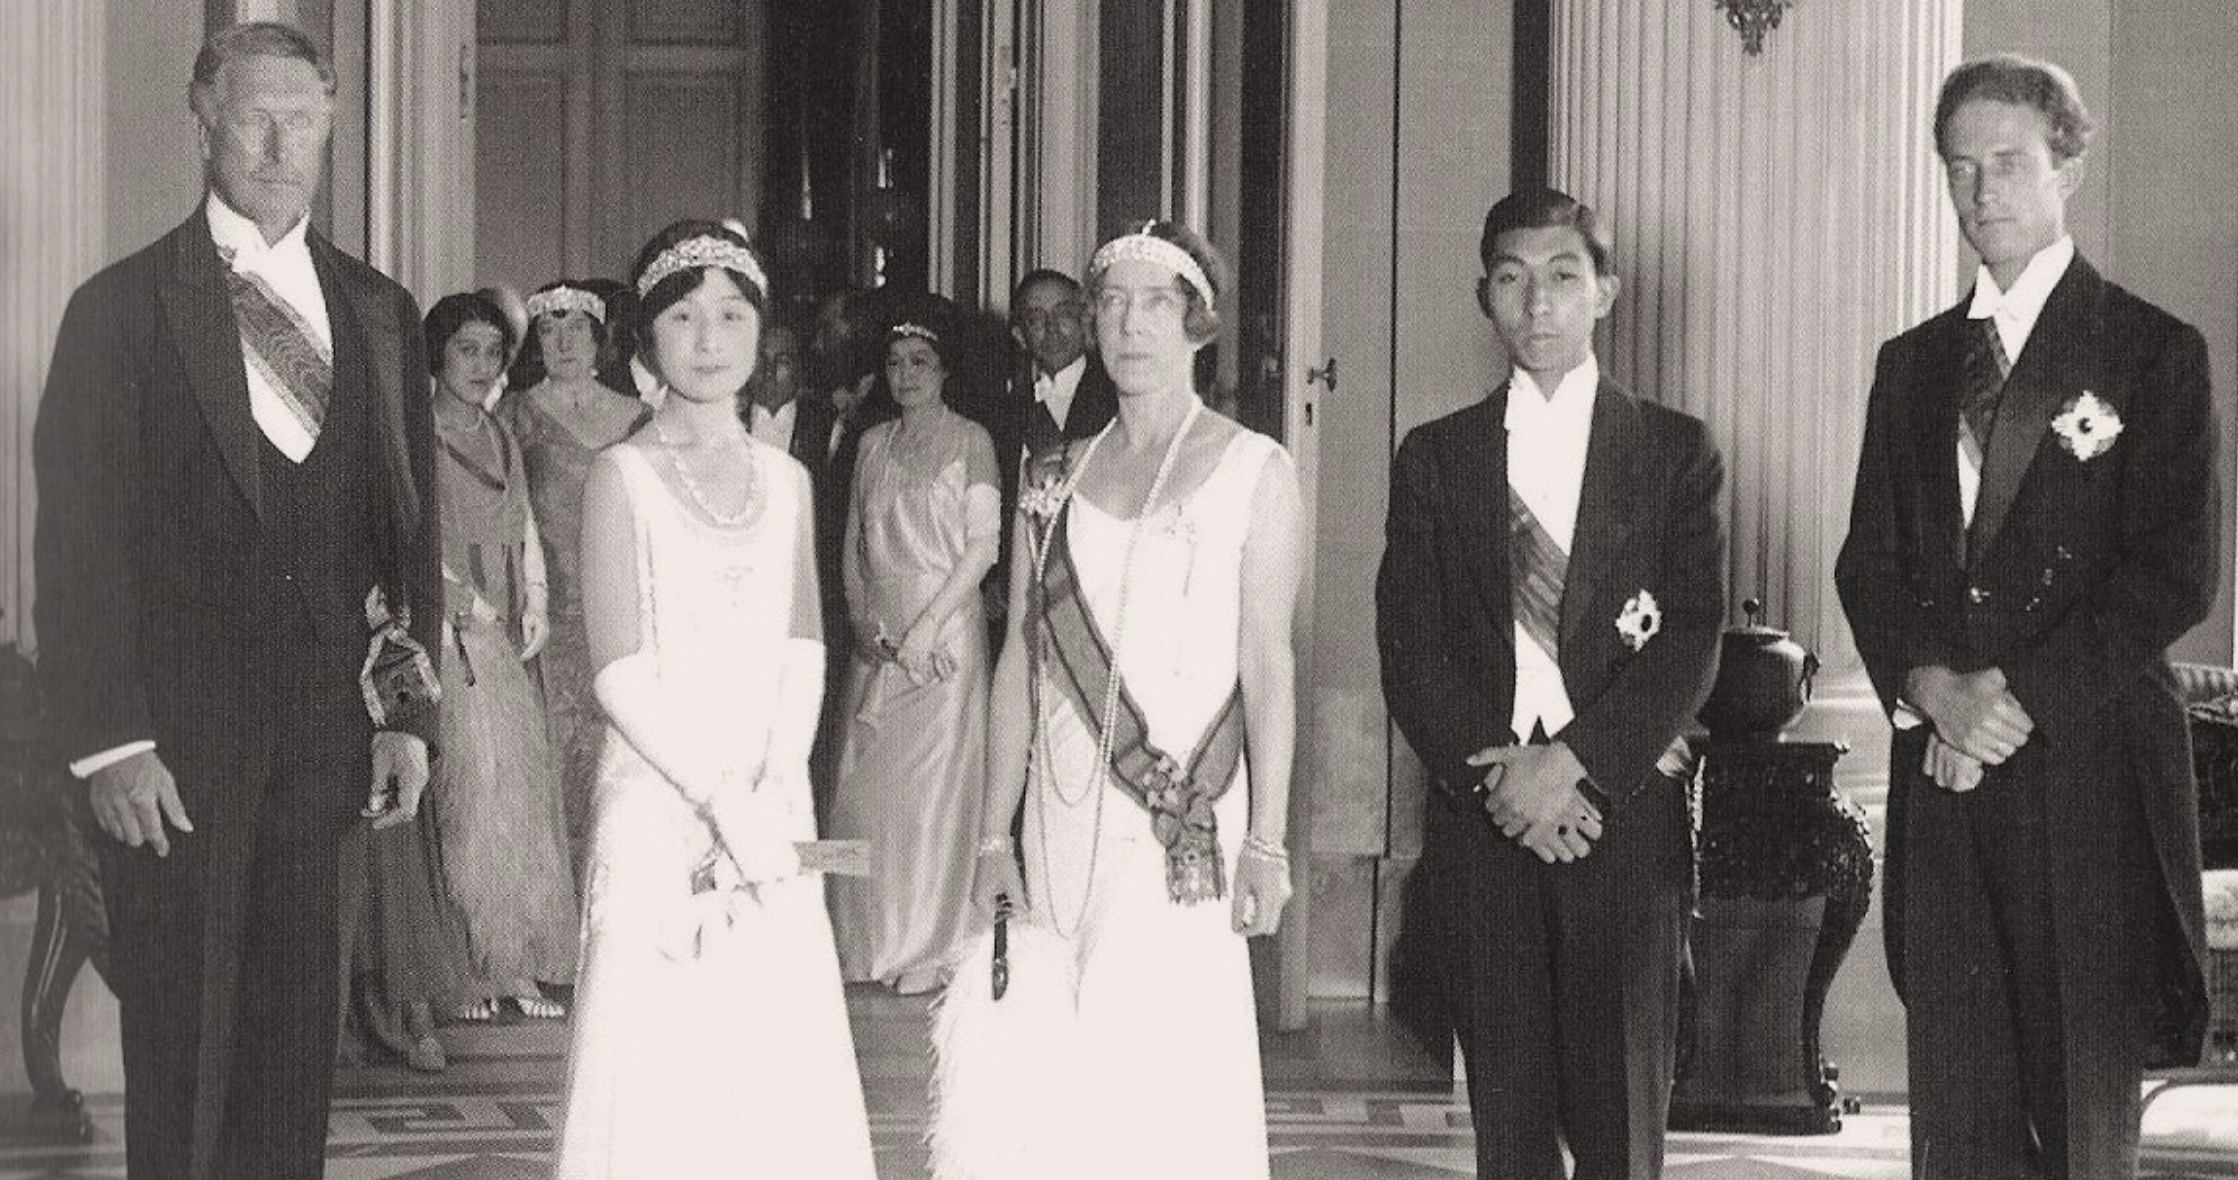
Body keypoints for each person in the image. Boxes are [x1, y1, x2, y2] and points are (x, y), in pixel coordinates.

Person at [31, 22, 440, 1178]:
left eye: (300, 119)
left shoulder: (380, 311)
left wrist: (407, 715)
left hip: (327, 743)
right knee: (185, 1054)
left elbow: (406, 539)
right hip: (174, 754)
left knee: (293, 1058)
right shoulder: (121, 308)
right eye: (254, 116)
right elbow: (79, 549)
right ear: (203, 120)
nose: (277, 144)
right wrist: (114, 743)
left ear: (329, 127)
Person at [1835, 55, 2216, 1179]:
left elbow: (2172, 574)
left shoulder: (2151, 352)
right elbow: (1869, 565)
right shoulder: (1911, 366)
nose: (1981, 189)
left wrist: (2005, 703)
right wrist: (1930, 689)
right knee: (1958, 1132)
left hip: (2086, 776)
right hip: (1945, 787)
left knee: (2081, 1130)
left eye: (2007, 161)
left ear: (2069, 168)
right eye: (1960, 167)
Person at [1376, 188, 1724, 1180]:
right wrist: (1504, 781)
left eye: (1564, 276)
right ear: (1484, 296)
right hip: (1486, 821)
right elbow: (1410, 643)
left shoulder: (1673, 450)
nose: (1538, 303)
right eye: (1512, 278)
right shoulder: (1437, 456)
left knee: (1621, 1130)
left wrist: (1572, 765)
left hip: (1621, 809)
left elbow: (1691, 635)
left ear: (1606, 291)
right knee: (1510, 1129)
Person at [946, 221, 1302, 1180]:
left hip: (1179, 819)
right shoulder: (1049, 477)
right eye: (1111, 303)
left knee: (1158, 1072)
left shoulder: (1255, 470)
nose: (1130, 325)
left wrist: (1269, 842)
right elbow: (1019, 667)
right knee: (1061, 1077)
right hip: (1062, 811)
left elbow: (1268, 667)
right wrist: (993, 839)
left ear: (1198, 324)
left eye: (1155, 304)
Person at [555, 221, 875, 1179]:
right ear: (648, 337)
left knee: (772, 1051)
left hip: (770, 805)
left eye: (732, 316)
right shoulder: (621, 476)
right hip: (665, 796)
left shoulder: (788, 479)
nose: (709, 339)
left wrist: (772, 787)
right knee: (663, 1058)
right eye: (684, 318)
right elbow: (617, 668)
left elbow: (805, 642)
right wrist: (721, 800)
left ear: (761, 332)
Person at [826, 315, 1001, 993]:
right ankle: (856, 936)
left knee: (932, 795)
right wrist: (859, 619)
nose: (906, 374)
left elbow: (983, 547)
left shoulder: (973, 440)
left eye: (920, 361)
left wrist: (928, 626)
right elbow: (852, 545)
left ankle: (932, 944)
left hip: (945, 638)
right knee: (857, 794)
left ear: (945, 370)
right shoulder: (871, 443)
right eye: (895, 361)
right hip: (879, 636)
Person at [422, 293, 578, 1022]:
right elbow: (412, 534)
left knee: (517, 799)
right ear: (439, 355)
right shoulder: (418, 436)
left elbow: (524, 524)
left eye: (492, 352)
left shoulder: (500, 434)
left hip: (509, 630)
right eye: (467, 350)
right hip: (455, 631)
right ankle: (474, 969)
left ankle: (514, 963)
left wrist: (536, 598)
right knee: (474, 796)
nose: (482, 366)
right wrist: (463, 602)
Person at [500, 279, 651, 874]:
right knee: (552, 764)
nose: (563, 342)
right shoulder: (515, 415)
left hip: (625, 616)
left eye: (575, 329)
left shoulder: (640, 420)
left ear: (598, 336)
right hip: (547, 619)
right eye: (548, 329)